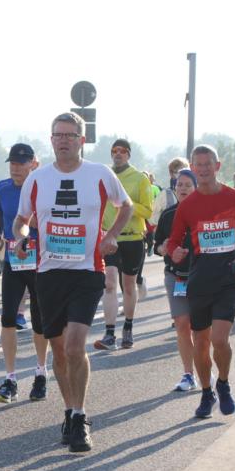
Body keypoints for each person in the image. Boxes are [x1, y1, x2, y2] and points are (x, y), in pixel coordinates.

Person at [14, 112, 132, 453]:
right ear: (51, 140)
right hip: (49, 273)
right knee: (59, 351)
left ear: (82, 140)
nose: (63, 140)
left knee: (75, 346)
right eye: (58, 135)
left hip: (87, 271)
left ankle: (80, 417)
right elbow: (21, 219)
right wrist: (22, 236)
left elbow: (125, 206)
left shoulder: (100, 173)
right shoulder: (37, 179)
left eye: (70, 135)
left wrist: (111, 235)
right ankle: (68, 410)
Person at [166, 145, 235, 419]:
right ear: (193, 168)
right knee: (201, 342)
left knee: (219, 339)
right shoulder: (188, 206)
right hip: (199, 281)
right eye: (198, 165)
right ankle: (207, 392)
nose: (203, 169)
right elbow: (173, 240)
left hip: (228, 279)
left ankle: (223, 383)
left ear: (217, 166)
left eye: (208, 164)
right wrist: (175, 251)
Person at [0, 143, 49, 403]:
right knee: (8, 318)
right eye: (12, 163)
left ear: (32, 164)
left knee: (39, 320)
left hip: (39, 261)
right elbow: (0, 216)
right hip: (13, 260)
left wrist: (39, 223)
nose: (15, 168)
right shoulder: (2, 188)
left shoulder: (43, 188)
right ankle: (10, 379)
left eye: (21, 163)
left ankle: (41, 373)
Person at [93, 138, 152, 350]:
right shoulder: (104, 176)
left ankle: (128, 326)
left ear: (128, 154)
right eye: (114, 150)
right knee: (109, 283)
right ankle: (109, 333)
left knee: (128, 286)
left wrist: (126, 202)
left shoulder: (140, 179)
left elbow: (148, 211)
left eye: (123, 151)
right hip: (110, 238)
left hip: (133, 238)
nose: (118, 154)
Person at [153, 169, 199, 391]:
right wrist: (165, 249)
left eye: (188, 185)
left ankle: (205, 369)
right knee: (182, 324)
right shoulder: (168, 214)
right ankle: (188, 374)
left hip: (202, 276)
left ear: (196, 187)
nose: (183, 188)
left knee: (201, 328)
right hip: (176, 276)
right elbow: (157, 245)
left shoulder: (205, 211)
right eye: (179, 184)